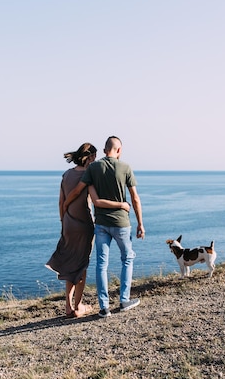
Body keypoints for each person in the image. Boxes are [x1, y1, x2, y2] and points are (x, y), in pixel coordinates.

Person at [46, 143, 129, 318]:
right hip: (84, 225)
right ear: (90, 157)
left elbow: (61, 203)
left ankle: (68, 307)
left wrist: (64, 221)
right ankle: (78, 307)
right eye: (95, 156)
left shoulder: (66, 175)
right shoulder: (89, 174)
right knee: (82, 264)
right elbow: (96, 200)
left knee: (70, 262)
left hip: (68, 223)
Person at [65, 135, 145, 318]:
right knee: (127, 259)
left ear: (104, 150)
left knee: (101, 264)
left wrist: (64, 206)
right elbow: (135, 198)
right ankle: (124, 300)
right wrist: (140, 223)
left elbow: (78, 190)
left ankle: (104, 307)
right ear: (119, 150)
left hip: (101, 224)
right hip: (121, 223)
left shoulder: (93, 167)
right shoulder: (125, 167)